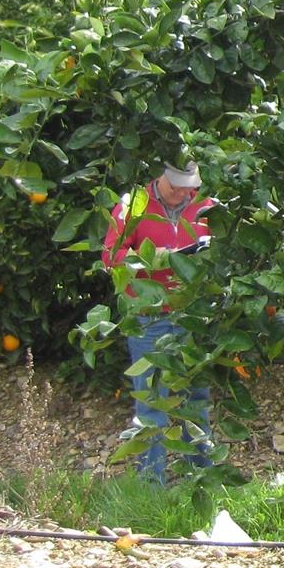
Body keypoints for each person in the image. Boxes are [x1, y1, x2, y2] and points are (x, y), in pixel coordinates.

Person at [101, 162, 214, 483]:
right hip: (149, 316)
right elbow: (110, 257)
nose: (181, 194)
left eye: (188, 188)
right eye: (175, 186)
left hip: (194, 315)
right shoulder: (133, 206)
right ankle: (150, 486)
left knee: (196, 400)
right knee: (152, 404)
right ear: (160, 177)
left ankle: (201, 478)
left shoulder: (205, 205)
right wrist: (152, 259)